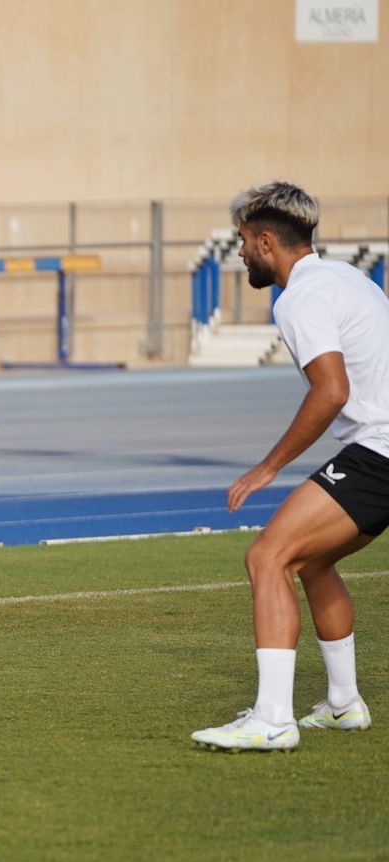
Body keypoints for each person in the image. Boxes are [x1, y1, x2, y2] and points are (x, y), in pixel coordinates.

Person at [192, 181, 384, 751]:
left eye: (243, 241)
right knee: (313, 561)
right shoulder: (347, 278)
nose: (240, 252)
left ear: (266, 242)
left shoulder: (299, 297)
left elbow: (331, 390)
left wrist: (268, 467)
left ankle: (273, 719)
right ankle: (344, 704)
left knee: (267, 556)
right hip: (380, 450)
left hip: (380, 452)